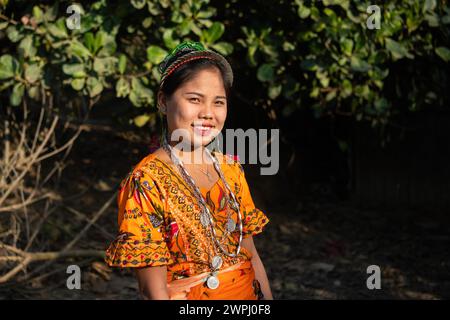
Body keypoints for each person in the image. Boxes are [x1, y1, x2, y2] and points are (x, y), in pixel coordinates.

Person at [105, 41, 273, 300]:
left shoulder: (230, 170)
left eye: (219, 102)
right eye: (194, 99)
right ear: (163, 101)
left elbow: (251, 256)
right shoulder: (147, 181)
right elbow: (153, 289)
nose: (208, 113)